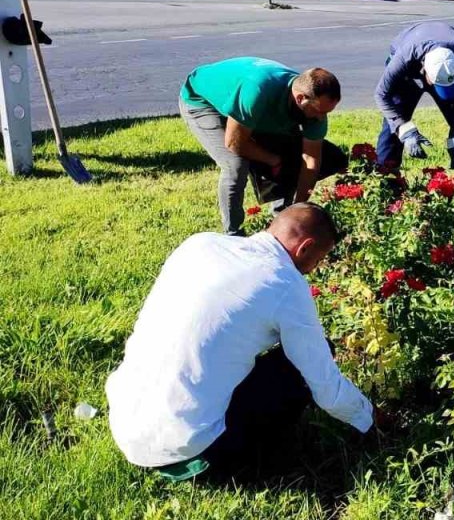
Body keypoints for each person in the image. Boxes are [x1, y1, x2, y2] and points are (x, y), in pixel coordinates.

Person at [106, 203, 375, 482]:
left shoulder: (199, 245)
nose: (313, 270)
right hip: (194, 451)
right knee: (297, 370)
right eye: (318, 261)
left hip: (127, 425)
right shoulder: (285, 284)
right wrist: (370, 417)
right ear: (304, 247)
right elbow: (326, 387)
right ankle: (263, 461)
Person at [180, 57, 348, 236]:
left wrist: (297, 211)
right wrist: (272, 159)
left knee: (291, 157)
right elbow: (234, 143)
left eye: (327, 112)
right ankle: (234, 234)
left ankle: (280, 223)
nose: (322, 118)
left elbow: (310, 160)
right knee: (236, 165)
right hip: (203, 101)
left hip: (250, 108)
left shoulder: (314, 107)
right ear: (300, 98)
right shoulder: (258, 92)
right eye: (320, 111)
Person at [373, 22, 454, 187]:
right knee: (393, 122)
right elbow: (381, 94)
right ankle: (387, 182)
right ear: (426, 74)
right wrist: (403, 129)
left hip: (442, 56)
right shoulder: (404, 58)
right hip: (409, 66)